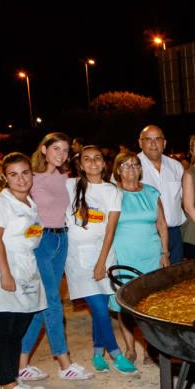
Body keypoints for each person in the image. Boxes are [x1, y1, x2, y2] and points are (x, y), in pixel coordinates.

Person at [20, 132, 93, 382]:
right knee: (52, 302)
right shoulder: (32, 177)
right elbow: (20, 210)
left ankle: (20, 365)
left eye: (64, 150)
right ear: (43, 149)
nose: (61, 154)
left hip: (62, 239)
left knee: (42, 306)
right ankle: (64, 363)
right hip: (42, 241)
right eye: (56, 149)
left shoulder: (65, 178)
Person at [0, 153, 48, 389]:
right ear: (5, 178)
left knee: (17, 331)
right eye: (14, 175)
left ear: (32, 174)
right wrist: (5, 274)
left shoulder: (31, 203)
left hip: (25, 271)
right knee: (1, 332)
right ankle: (7, 386)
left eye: (25, 173)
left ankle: (13, 379)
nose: (21, 179)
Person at [65, 146, 137, 375]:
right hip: (77, 258)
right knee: (97, 307)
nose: (93, 163)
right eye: (87, 159)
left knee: (101, 308)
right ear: (81, 164)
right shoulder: (69, 186)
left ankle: (97, 353)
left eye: (97, 158)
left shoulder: (112, 191)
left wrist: (101, 262)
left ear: (104, 164)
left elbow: (110, 230)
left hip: (104, 254)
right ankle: (115, 353)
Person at [110, 151, 170, 364]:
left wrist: (165, 252)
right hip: (124, 255)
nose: (131, 169)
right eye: (125, 165)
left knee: (150, 305)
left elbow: (162, 225)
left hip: (152, 255)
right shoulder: (113, 194)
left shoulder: (152, 192)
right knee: (124, 305)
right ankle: (129, 349)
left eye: (135, 165)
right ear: (118, 170)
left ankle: (148, 348)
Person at [138, 125, 185, 264]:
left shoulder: (176, 166)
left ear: (164, 143)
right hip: (147, 234)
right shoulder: (131, 166)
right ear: (140, 142)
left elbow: (185, 200)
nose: (153, 143)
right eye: (148, 139)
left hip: (175, 235)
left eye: (157, 139)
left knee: (176, 281)